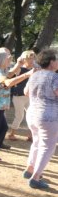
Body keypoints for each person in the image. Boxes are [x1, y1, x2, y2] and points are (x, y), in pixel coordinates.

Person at [0, 49, 32, 163]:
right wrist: (27, 74)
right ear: (1, 60)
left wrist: (19, 65)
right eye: (8, 58)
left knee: (2, 128)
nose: (10, 59)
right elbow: (7, 82)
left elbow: (8, 75)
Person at [23, 48, 58, 189]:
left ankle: (30, 169)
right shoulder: (54, 77)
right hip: (48, 116)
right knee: (48, 146)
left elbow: (26, 92)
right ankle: (36, 177)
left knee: (37, 142)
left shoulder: (34, 75)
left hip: (32, 113)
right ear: (51, 62)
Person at [7, 50, 36, 141]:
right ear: (24, 59)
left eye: (33, 58)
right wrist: (18, 65)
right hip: (18, 95)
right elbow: (10, 76)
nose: (31, 60)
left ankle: (31, 135)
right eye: (29, 58)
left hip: (30, 96)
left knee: (33, 115)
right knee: (19, 116)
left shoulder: (35, 69)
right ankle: (11, 134)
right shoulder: (19, 68)